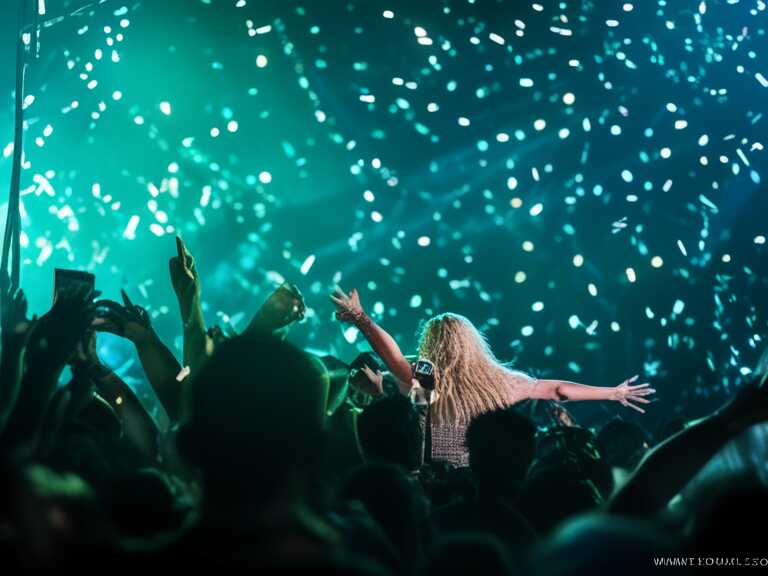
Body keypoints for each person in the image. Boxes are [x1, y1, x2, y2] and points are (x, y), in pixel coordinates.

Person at [331, 288, 656, 466]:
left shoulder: (429, 377)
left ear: (431, 343)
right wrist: (611, 393)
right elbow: (557, 389)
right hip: (479, 476)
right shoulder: (501, 380)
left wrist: (361, 319)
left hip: (431, 473)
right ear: (473, 342)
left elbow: (395, 357)